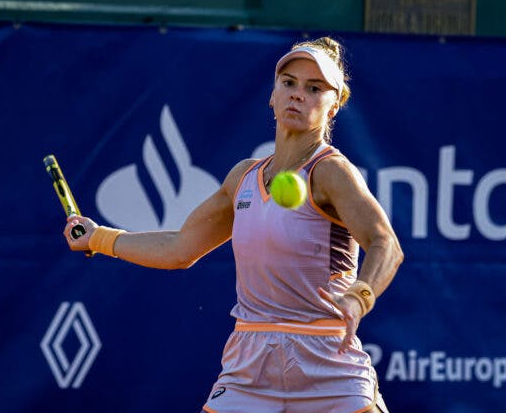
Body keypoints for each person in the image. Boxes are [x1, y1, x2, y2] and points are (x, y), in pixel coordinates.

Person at [64, 36, 403, 413]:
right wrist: (98, 237)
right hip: (250, 363)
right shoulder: (242, 178)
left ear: (334, 106)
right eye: (288, 83)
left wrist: (359, 298)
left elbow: (385, 243)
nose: (297, 94)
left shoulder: (332, 173)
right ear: (272, 95)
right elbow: (180, 248)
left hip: (327, 356)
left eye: (314, 88)